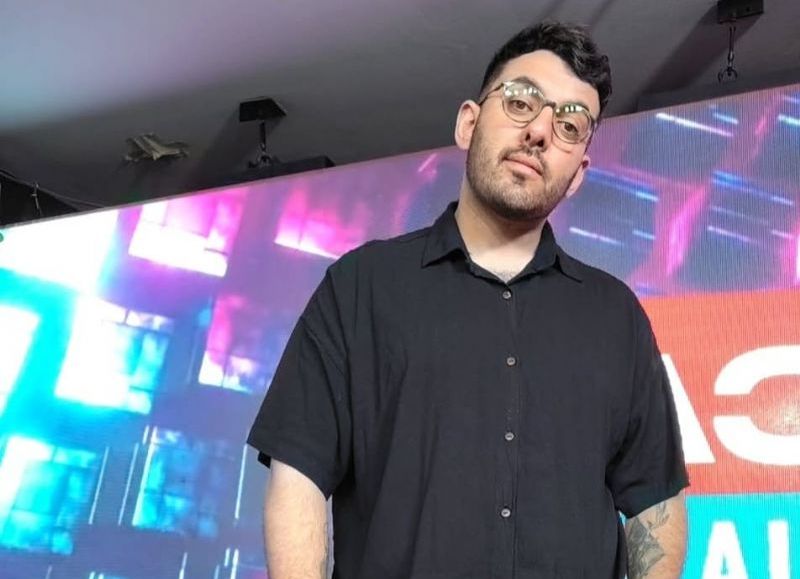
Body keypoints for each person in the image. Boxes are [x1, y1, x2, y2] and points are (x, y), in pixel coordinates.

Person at [248, 21, 689, 579]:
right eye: (522, 102)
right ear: (468, 122)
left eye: (570, 125)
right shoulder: (361, 286)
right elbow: (299, 476)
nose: (540, 132)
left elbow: (655, 503)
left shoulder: (615, 316)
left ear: (578, 173)